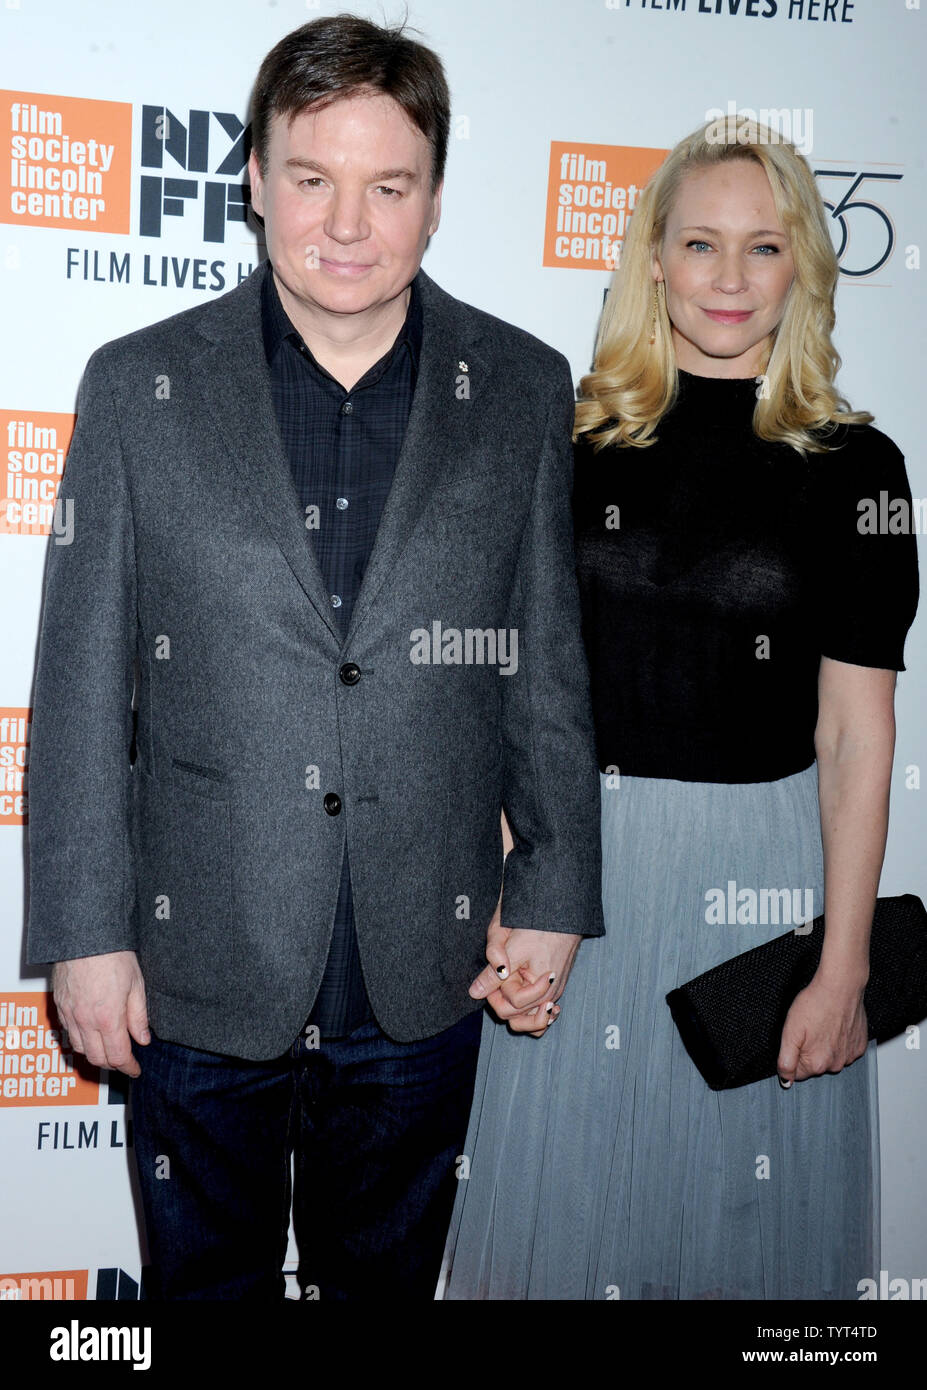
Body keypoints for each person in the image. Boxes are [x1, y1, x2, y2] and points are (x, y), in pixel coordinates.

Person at [25, 14, 604, 1301]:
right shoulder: (140, 384)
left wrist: (557, 885)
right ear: (253, 181)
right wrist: (81, 930)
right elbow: (77, 684)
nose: (347, 223)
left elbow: (547, 667)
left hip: (425, 961)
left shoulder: (518, 388)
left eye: (388, 186)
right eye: (312, 178)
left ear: (437, 200)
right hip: (195, 964)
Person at [443, 116, 919, 1300]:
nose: (728, 277)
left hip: (762, 881)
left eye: (764, 248)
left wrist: (844, 964)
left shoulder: (860, 470)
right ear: (653, 257)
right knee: (563, 1218)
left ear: (803, 265)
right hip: (578, 880)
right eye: (700, 244)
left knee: (744, 1235)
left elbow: (857, 733)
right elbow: (516, 689)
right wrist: (517, 882)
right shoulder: (570, 445)